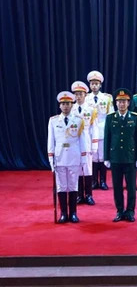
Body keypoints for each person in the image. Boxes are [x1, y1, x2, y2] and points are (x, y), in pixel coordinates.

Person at [47, 91, 90, 223]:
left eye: (68, 104)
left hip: (74, 156)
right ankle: (63, 213)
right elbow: (51, 141)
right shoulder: (53, 121)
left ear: (72, 105)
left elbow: (82, 140)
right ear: (60, 106)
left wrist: (83, 158)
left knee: (73, 185)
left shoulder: (78, 120)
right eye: (63, 104)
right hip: (59, 157)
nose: (65, 106)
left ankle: (73, 213)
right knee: (61, 186)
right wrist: (51, 158)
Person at [104, 88, 137, 222]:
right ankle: (120, 211)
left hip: (130, 158)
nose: (121, 104)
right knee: (117, 187)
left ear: (128, 103)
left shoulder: (135, 118)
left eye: (124, 101)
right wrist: (106, 157)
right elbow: (107, 138)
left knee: (131, 187)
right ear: (116, 103)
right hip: (115, 158)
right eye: (119, 101)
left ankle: (130, 211)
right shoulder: (110, 118)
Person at [85, 70, 114, 191]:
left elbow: (110, 115)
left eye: (97, 83)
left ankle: (102, 180)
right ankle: (93, 181)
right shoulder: (86, 98)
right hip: (90, 131)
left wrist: (110, 131)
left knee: (102, 157)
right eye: (92, 83)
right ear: (89, 85)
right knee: (92, 156)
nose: (94, 85)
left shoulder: (106, 98)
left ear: (100, 84)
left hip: (102, 130)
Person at [71, 81, 98, 205]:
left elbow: (94, 127)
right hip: (74, 141)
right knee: (77, 169)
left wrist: (94, 144)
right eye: (76, 94)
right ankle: (79, 195)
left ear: (85, 94)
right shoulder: (71, 109)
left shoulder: (91, 109)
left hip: (86, 140)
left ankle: (89, 195)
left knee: (87, 169)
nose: (78, 96)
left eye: (81, 94)